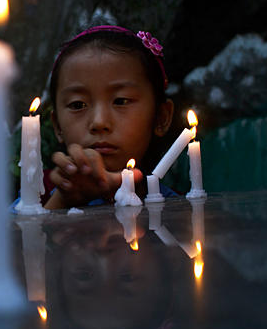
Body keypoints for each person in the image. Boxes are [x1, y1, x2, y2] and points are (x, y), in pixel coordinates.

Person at [43, 25, 176, 209]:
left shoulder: (181, 212)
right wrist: (62, 201)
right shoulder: (36, 198)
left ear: (161, 117)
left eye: (121, 101)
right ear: (57, 125)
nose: (99, 122)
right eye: (78, 105)